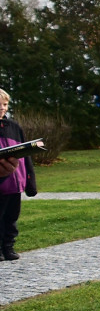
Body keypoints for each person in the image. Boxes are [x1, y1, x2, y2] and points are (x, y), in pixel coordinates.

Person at [0, 89, 37, 260]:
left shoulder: (14, 127)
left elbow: (25, 157)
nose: (2, 108)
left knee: (12, 217)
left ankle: (9, 247)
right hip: (2, 183)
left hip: (16, 183)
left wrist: (30, 183)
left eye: (5, 105)